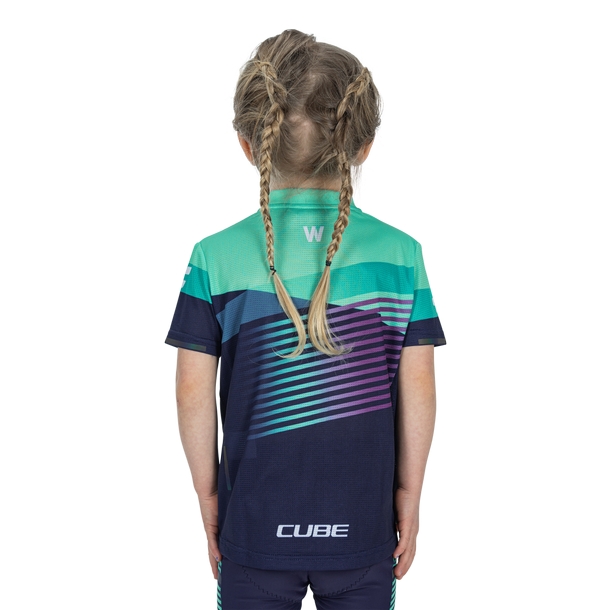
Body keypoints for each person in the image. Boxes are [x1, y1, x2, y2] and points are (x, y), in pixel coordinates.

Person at [166, 29, 445, 610]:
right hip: (363, 530)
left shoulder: (214, 257)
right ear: (363, 146)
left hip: (253, 530)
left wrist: (208, 496)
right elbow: (417, 385)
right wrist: (410, 492)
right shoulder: (401, 256)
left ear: (249, 145)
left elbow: (192, 391)